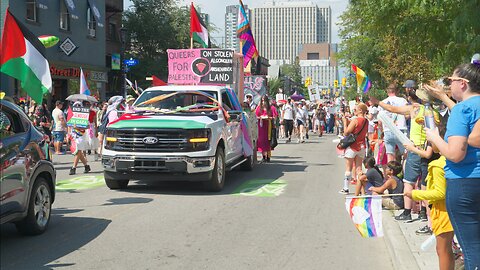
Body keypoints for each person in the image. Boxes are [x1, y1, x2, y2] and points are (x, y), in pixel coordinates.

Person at [424, 61, 480, 270]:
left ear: (463, 83)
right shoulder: (467, 108)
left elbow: (456, 154)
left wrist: (435, 137)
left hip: (464, 184)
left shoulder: (462, 110)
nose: (449, 84)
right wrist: (443, 97)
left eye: (451, 80)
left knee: (473, 251)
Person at [370, 88, 439, 222]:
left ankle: (407, 212)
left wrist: (378, 102)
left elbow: (392, 109)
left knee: (409, 182)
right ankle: (424, 213)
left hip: (415, 148)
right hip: (428, 149)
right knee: (423, 184)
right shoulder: (434, 113)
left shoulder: (415, 109)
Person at [405, 153, 454, 270]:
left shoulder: (438, 165)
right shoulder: (451, 161)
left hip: (443, 211)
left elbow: (440, 192)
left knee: (442, 249)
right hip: (447, 210)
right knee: (446, 249)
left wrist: (414, 194)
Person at [338, 103, 369, 194]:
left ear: (360, 110)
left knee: (349, 168)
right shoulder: (366, 121)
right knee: (359, 168)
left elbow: (346, 132)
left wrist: (344, 123)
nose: (354, 111)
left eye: (355, 109)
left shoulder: (355, 120)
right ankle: (361, 189)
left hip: (352, 146)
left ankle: (346, 188)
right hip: (361, 145)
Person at [68, 101, 91, 175]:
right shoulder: (71, 115)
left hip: (81, 136)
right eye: (76, 105)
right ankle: (86, 166)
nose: (77, 107)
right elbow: (69, 125)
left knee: (77, 151)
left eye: (79, 105)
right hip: (73, 135)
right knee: (79, 152)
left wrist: (77, 127)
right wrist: (68, 134)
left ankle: (73, 168)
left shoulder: (84, 115)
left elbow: (87, 126)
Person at [255, 95, 278, 162]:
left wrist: (269, 118)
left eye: (264, 100)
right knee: (261, 141)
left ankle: (268, 156)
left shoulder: (271, 108)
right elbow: (255, 116)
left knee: (268, 141)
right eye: (262, 100)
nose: (263, 102)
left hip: (268, 126)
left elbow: (275, 117)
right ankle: (263, 156)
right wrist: (260, 117)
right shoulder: (259, 108)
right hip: (261, 126)